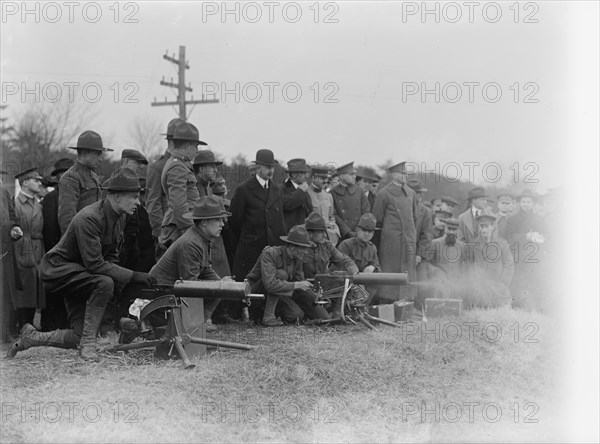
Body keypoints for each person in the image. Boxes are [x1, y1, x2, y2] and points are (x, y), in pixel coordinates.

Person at [7, 169, 156, 360]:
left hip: (82, 276)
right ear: (117, 197)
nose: (138, 202)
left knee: (78, 335)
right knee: (105, 282)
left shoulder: (120, 217)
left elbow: (111, 257)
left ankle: (30, 337)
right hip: (59, 271)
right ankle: (88, 345)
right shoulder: (91, 217)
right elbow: (95, 264)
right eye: (134, 197)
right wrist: (135, 276)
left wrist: (126, 283)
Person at [149, 196, 232, 333]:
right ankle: (192, 328)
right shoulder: (191, 243)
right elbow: (189, 285)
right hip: (162, 295)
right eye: (218, 219)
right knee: (215, 287)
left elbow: (205, 270)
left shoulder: (201, 238)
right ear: (204, 222)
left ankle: (197, 325)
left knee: (219, 286)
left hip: (172, 290)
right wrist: (219, 285)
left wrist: (222, 284)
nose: (222, 224)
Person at [246, 225, 324, 326]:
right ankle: (268, 317)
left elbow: (300, 281)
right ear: (292, 246)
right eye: (303, 248)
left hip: (279, 293)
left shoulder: (297, 258)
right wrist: (297, 285)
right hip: (256, 296)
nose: (305, 252)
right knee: (281, 274)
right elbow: (270, 285)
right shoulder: (270, 254)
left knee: (304, 316)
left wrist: (316, 295)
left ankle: (277, 315)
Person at [229, 149, 287, 283]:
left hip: (272, 250)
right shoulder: (243, 189)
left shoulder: (276, 190)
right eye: (267, 167)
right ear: (258, 167)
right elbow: (234, 222)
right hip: (250, 250)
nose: (271, 171)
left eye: (272, 167)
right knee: (248, 287)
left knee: (270, 286)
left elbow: (280, 222)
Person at [372, 162, 418, 301]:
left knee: (407, 272)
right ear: (394, 175)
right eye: (403, 173)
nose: (406, 176)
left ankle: (407, 303)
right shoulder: (383, 194)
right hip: (391, 242)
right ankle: (388, 302)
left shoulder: (411, 193)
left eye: (406, 173)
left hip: (408, 240)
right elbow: (377, 218)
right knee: (390, 271)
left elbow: (414, 217)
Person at [159, 122, 205, 253]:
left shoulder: (181, 164)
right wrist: (191, 232)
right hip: (180, 228)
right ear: (187, 145)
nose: (197, 151)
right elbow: (179, 205)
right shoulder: (177, 167)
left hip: (181, 225)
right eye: (196, 147)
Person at [146, 118, 188, 258]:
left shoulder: (186, 165)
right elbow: (153, 202)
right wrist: (159, 232)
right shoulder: (157, 167)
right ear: (171, 142)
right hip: (169, 233)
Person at [12, 167, 46, 332]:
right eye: (36, 180)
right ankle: (21, 327)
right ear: (25, 183)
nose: (40, 183)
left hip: (39, 249)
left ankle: (31, 327)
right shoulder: (15, 204)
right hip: (23, 249)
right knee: (25, 288)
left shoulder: (38, 204)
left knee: (36, 288)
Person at [58, 131, 113, 234]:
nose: (100, 159)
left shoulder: (93, 176)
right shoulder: (70, 178)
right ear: (84, 153)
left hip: (93, 236)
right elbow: (67, 219)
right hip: (80, 240)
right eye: (97, 154)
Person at [505, 189, 546, 310]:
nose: (526, 204)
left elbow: (547, 235)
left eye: (529, 202)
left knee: (535, 280)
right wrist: (525, 236)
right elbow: (508, 237)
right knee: (517, 281)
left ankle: (537, 307)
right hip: (518, 255)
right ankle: (517, 306)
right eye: (523, 202)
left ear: (533, 203)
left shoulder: (539, 219)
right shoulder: (512, 219)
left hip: (535, 255)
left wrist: (540, 237)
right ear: (519, 203)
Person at [464, 212, 514, 308]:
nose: (484, 230)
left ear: (492, 227)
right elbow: (469, 266)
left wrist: (504, 282)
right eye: (481, 227)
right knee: (479, 301)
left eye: (486, 226)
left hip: (498, 284)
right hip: (480, 284)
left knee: (503, 305)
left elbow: (509, 265)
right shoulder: (473, 245)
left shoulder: (502, 244)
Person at [422, 218, 466, 301]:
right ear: (445, 228)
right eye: (449, 229)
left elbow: (463, 266)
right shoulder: (435, 243)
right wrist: (437, 274)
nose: (451, 232)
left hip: (456, 283)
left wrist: (460, 279)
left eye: (454, 230)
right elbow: (428, 264)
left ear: (457, 230)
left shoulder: (462, 246)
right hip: (439, 283)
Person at [42, 158, 74, 254]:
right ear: (58, 176)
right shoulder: (51, 197)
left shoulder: (82, 194)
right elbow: (49, 231)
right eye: (63, 173)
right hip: (60, 252)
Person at [331, 162, 370, 240]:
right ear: (341, 176)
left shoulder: (359, 191)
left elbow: (366, 211)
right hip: (341, 234)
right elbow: (334, 214)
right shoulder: (333, 193)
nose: (354, 177)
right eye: (351, 174)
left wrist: (359, 229)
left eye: (355, 174)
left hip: (359, 233)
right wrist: (347, 231)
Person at [306, 165, 340, 246]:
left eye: (326, 178)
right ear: (313, 178)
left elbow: (331, 216)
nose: (325, 181)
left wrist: (333, 227)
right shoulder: (306, 194)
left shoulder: (328, 196)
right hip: (312, 238)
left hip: (328, 238)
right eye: (322, 178)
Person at [281, 158, 313, 232]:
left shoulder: (304, 190)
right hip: (288, 235)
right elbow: (287, 204)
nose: (306, 176)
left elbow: (309, 211)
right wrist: (301, 191)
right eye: (303, 173)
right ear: (294, 174)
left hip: (302, 234)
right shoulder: (281, 188)